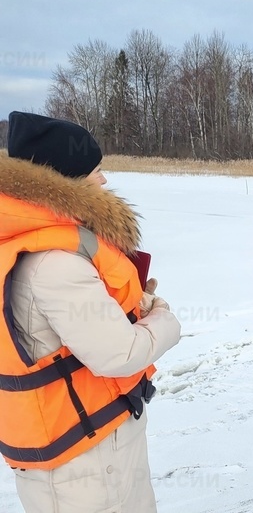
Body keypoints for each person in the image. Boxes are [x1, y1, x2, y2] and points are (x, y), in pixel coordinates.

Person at [0, 112, 182, 512]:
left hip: (91, 442)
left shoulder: (36, 247)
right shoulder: (53, 263)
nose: (103, 179)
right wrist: (164, 317)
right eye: (95, 170)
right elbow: (119, 354)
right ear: (63, 182)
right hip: (84, 459)